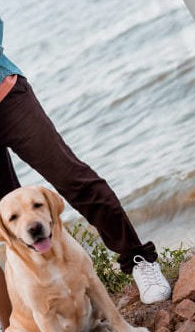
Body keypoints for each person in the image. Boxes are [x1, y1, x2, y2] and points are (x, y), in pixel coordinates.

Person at [0, 18, 172, 320]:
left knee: (71, 178)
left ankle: (138, 259)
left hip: (7, 96)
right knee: (5, 221)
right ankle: (22, 316)